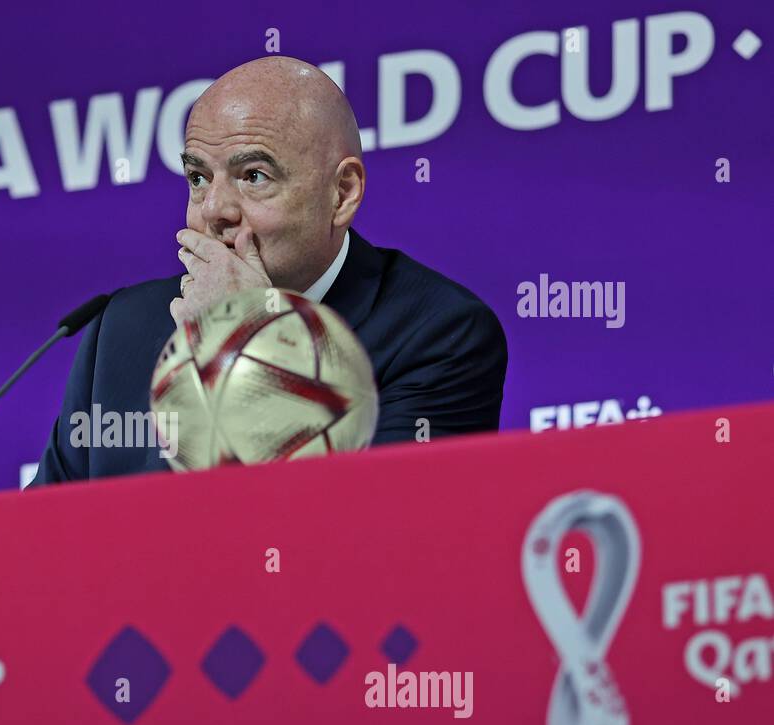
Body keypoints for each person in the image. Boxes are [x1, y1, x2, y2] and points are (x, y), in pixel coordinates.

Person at [33, 55, 507, 484]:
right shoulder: (119, 331)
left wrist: (249, 342)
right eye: (198, 178)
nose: (214, 210)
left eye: (253, 176)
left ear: (342, 194)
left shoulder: (440, 333)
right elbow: (43, 539)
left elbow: (369, 530)